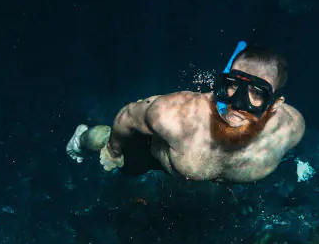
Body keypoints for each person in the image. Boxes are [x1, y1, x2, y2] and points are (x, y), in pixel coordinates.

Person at [66, 42, 305, 183]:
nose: (237, 103)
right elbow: (128, 115)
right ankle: (80, 138)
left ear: (274, 105)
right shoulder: (176, 115)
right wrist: (114, 150)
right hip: (154, 154)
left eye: (257, 93)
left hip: (196, 177)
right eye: (232, 85)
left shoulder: (290, 129)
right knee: (102, 141)